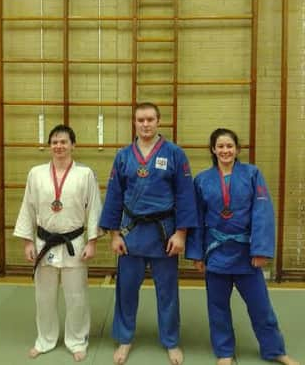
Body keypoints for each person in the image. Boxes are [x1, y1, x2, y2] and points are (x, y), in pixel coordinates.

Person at [186, 128, 300, 365]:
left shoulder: (252, 174)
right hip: (215, 253)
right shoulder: (202, 180)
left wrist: (260, 250)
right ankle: (225, 352)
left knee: (261, 307)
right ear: (213, 150)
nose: (225, 150)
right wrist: (197, 254)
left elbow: (262, 213)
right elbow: (196, 218)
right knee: (218, 308)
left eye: (230, 146)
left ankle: (275, 350)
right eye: (221, 146)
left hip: (246, 253)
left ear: (237, 149)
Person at [99, 102, 198, 365]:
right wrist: (114, 235)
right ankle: (125, 338)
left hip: (164, 234)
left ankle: (171, 341)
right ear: (134, 122)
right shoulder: (123, 156)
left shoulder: (175, 153)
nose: (145, 124)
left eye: (150, 119)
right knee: (126, 289)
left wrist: (181, 234)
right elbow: (114, 197)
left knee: (167, 291)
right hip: (131, 233)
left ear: (158, 121)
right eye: (140, 120)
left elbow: (185, 195)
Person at [14, 124, 102, 362]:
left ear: (73, 145)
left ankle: (77, 340)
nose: (59, 146)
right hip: (44, 242)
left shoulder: (85, 174)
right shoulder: (36, 173)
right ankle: (45, 339)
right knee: (44, 296)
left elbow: (94, 209)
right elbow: (27, 208)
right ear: (49, 145)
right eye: (55, 142)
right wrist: (27, 242)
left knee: (77, 296)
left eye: (64, 142)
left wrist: (92, 242)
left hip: (74, 241)